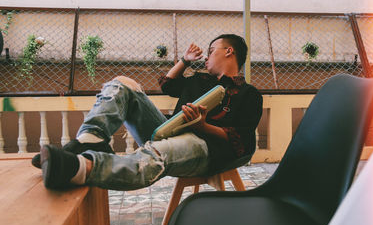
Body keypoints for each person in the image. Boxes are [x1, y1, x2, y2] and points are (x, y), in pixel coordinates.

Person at [33, 34, 263, 190]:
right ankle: (90, 140)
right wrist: (184, 60)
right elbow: (168, 84)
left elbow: (241, 139)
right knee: (123, 83)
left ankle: (78, 168)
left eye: (212, 51)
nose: (206, 57)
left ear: (229, 51)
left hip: (206, 146)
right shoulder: (199, 80)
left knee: (157, 154)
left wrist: (201, 126)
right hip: (167, 129)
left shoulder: (249, 94)